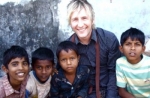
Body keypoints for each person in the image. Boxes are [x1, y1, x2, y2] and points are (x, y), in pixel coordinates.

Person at [67, 0, 121, 98]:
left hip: (107, 92)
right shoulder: (67, 47)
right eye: (75, 19)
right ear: (70, 22)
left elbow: (113, 72)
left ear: (92, 20)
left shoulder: (109, 39)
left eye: (84, 18)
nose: (80, 24)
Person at [116, 27, 150, 98]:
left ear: (143, 49)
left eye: (137, 44)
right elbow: (121, 91)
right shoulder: (120, 63)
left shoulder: (148, 64)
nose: (132, 48)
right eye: (128, 44)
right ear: (121, 49)